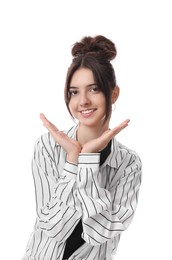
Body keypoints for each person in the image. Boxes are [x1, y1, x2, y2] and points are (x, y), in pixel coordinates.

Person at [22, 35, 142, 260]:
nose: (83, 101)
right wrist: (72, 162)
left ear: (113, 93)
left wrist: (86, 161)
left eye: (94, 89)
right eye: (74, 92)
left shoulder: (129, 164)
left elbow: (99, 233)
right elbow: (53, 228)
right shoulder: (47, 147)